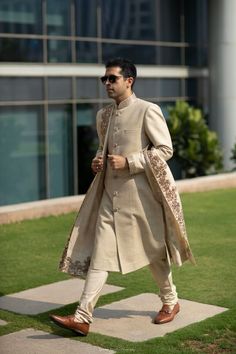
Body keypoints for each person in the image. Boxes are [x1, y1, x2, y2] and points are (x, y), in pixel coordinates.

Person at [50, 58, 195, 336]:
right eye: (104, 79)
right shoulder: (103, 116)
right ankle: (82, 317)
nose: (107, 83)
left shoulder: (147, 110)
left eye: (112, 78)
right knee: (101, 256)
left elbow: (165, 149)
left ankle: (171, 301)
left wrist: (130, 161)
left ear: (129, 81)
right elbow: (104, 149)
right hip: (109, 197)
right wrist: (97, 161)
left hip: (142, 198)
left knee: (154, 254)